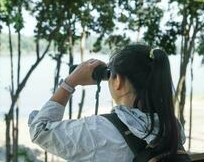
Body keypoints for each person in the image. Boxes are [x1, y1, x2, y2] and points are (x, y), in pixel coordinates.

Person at [28, 43, 188, 162]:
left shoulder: (98, 131)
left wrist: (70, 82)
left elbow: (39, 130)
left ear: (118, 81)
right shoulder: (172, 125)